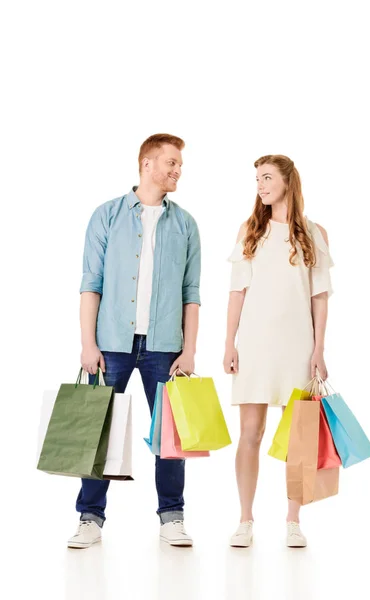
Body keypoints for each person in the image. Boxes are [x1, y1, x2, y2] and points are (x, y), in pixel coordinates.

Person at [67, 133, 201, 549]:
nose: (178, 170)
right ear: (147, 164)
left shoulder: (185, 224)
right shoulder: (106, 215)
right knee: (97, 431)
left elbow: (190, 293)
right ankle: (90, 518)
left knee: (170, 437)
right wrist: (88, 344)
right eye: (171, 162)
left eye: (179, 163)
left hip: (165, 347)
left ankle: (172, 517)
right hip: (111, 345)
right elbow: (91, 284)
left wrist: (190, 349)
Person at [223, 154, 333, 548]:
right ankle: (245, 519)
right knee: (250, 433)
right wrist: (229, 343)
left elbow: (319, 297)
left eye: (267, 177)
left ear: (288, 180)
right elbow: (237, 292)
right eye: (257, 179)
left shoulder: (313, 232)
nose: (261, 185)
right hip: (254, 344)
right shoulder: (250, 230)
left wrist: (319, 349)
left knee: (300, 436)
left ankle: (292, 520)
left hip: (298, 346)